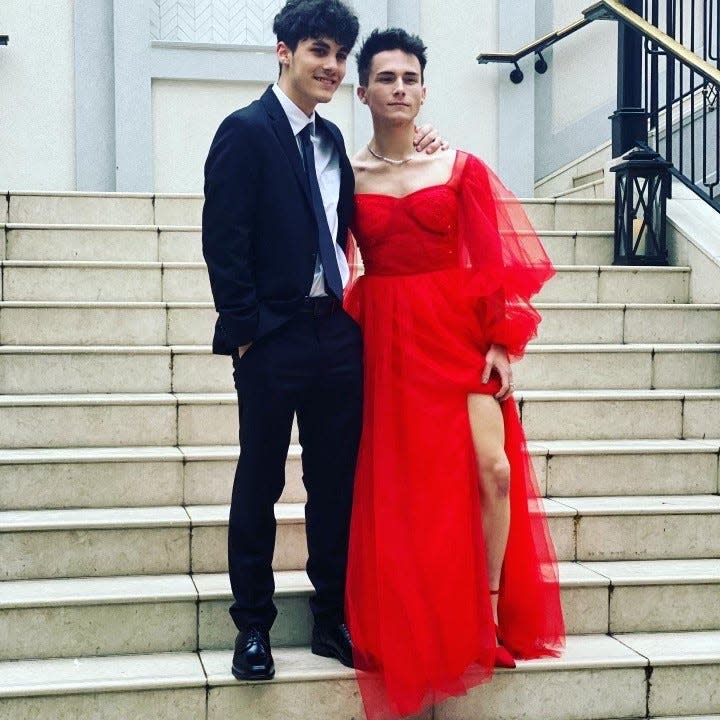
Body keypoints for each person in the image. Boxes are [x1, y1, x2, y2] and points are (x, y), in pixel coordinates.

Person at [202, 1, 444, 682]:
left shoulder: (335, 140)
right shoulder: (244, 132)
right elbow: (224, 241)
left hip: (336, 331)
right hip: (272, 337)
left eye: (340, 55)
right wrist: (246, 333)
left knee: (335, 484)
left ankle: (331, 617)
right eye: (319, 51)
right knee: (260, 478)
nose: (332, 66)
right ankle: (253, 626)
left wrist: (424, 139)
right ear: (284, 53)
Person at [344, 29, 566, 719]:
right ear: (365, 92)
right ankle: (407, 614)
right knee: (405, 483)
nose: (400, 88)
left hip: (455, 332)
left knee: (492, 469)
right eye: (387, 78)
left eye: (411, 77)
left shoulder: (459, 167)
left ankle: (491, 615)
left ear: (425, 89)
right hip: (385, 337)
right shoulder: (347, 175)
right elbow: (326, 253)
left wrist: (502, 341)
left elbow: (491, 256)